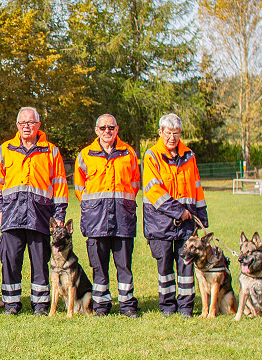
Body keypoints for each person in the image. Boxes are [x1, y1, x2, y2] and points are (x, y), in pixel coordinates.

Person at [0, 107, 68, 316]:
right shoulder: (5, 150)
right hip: (11, 215)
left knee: (40, 262)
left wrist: (59, 215)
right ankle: (11, 305)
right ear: (17, 126)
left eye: (30, 122)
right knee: (10, 261)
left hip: (40, 215)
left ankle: (41, 305)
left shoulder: (51, 151)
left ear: (38, 125)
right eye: (22, 123)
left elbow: (59, 184)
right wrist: (0, 209)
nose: (26, 126)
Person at [74, 114, 141, 318]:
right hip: (96, 220)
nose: (107, 131)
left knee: (124, 266)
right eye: (102, 128)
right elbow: (79, 188)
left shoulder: (128, 153)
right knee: (99, 266)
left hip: (123, 218)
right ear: (96, 130)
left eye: (111, 127)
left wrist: (122, 203)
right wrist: (95, 206)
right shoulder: (86, 154)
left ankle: (127, 304)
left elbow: (135, 184)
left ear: (117, 129)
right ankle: (101, 305)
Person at [141, 113, 208, 318]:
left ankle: (186, 307)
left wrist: (202, 218)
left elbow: (197, 188)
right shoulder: (151, 156)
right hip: (159, 222)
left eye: (176, 133)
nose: (172, 138)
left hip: (187, 224)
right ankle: (168, 307)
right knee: (165, 267)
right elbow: (154, 191)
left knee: (186, 265)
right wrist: (179, 211)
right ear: (160, 132)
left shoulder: (190, 156)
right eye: (168, 133)